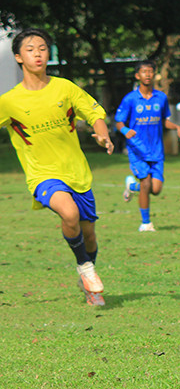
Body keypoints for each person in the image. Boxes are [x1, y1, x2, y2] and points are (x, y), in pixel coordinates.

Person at [0, 28, 114, 305]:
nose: (37, 54)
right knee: (69, 213)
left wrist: (102, 133)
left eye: (42, 48)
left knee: (89, 234)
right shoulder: (9, 101)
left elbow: (94, 111)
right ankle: (85, 269)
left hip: (77, 173)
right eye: (30, 49)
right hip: (42, 176)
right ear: (18, 57)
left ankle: (88, 277)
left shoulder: (64, 88)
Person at [116, 60, 180, 232]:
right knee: (147, 183)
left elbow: (165, 121)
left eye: (150, 71)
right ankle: (146, 223)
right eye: (144, 72)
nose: (147, 74)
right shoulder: (130, 99)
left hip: (156, 150)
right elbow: (119, 122)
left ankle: (132, 185)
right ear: (137, 76)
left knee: (156, 189)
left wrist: (177, 127)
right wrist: (126, 130)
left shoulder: (161, 97)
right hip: (137, 149)